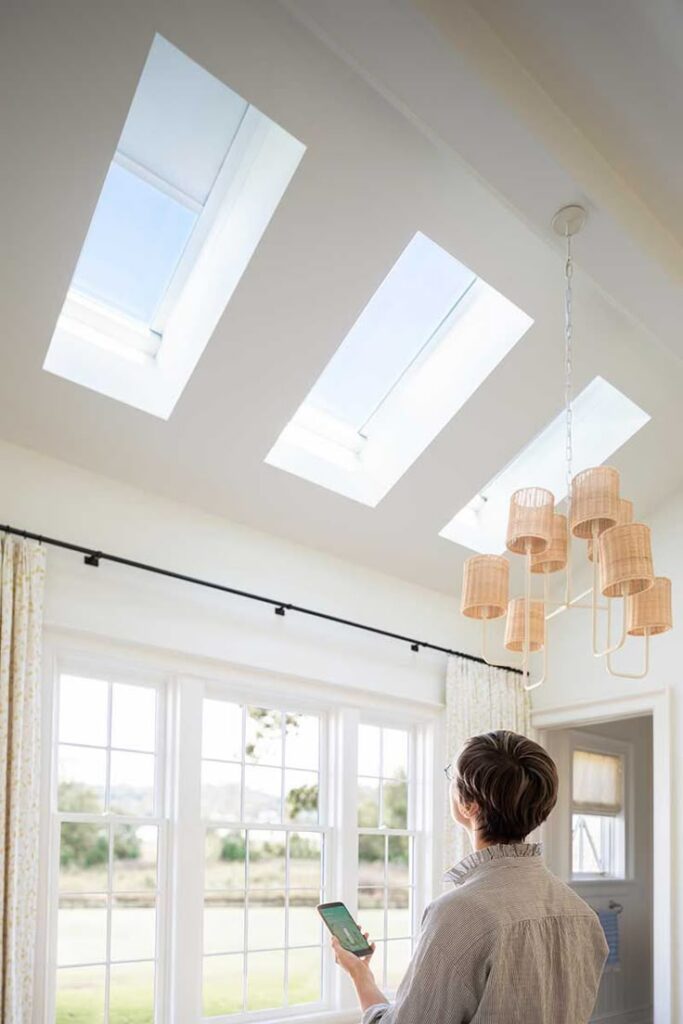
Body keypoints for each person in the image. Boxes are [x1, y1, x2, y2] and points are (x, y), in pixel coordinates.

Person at [332, 730, 608, 1023]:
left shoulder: (459, 914)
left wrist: (360, 976)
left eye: (452, 776)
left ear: (468, 805)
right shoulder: (581, 914)